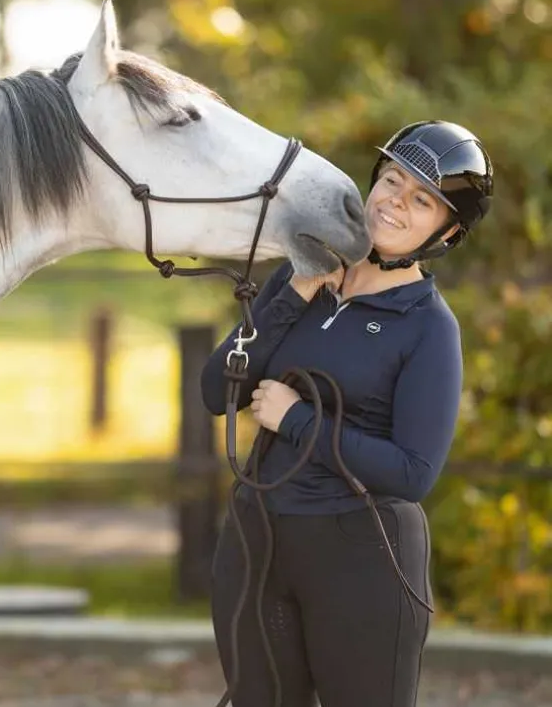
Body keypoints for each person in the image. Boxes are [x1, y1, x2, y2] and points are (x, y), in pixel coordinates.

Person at [201, 120, 493, 707]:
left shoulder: (428, 327)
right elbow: (216, 391)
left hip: (361, 560)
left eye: (422, 201)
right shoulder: (300, 275)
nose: (395, 202)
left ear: (447, 231)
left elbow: (413, 473)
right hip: (256, 545)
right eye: (393, 180)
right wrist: (297, 292)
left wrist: (297, 421)